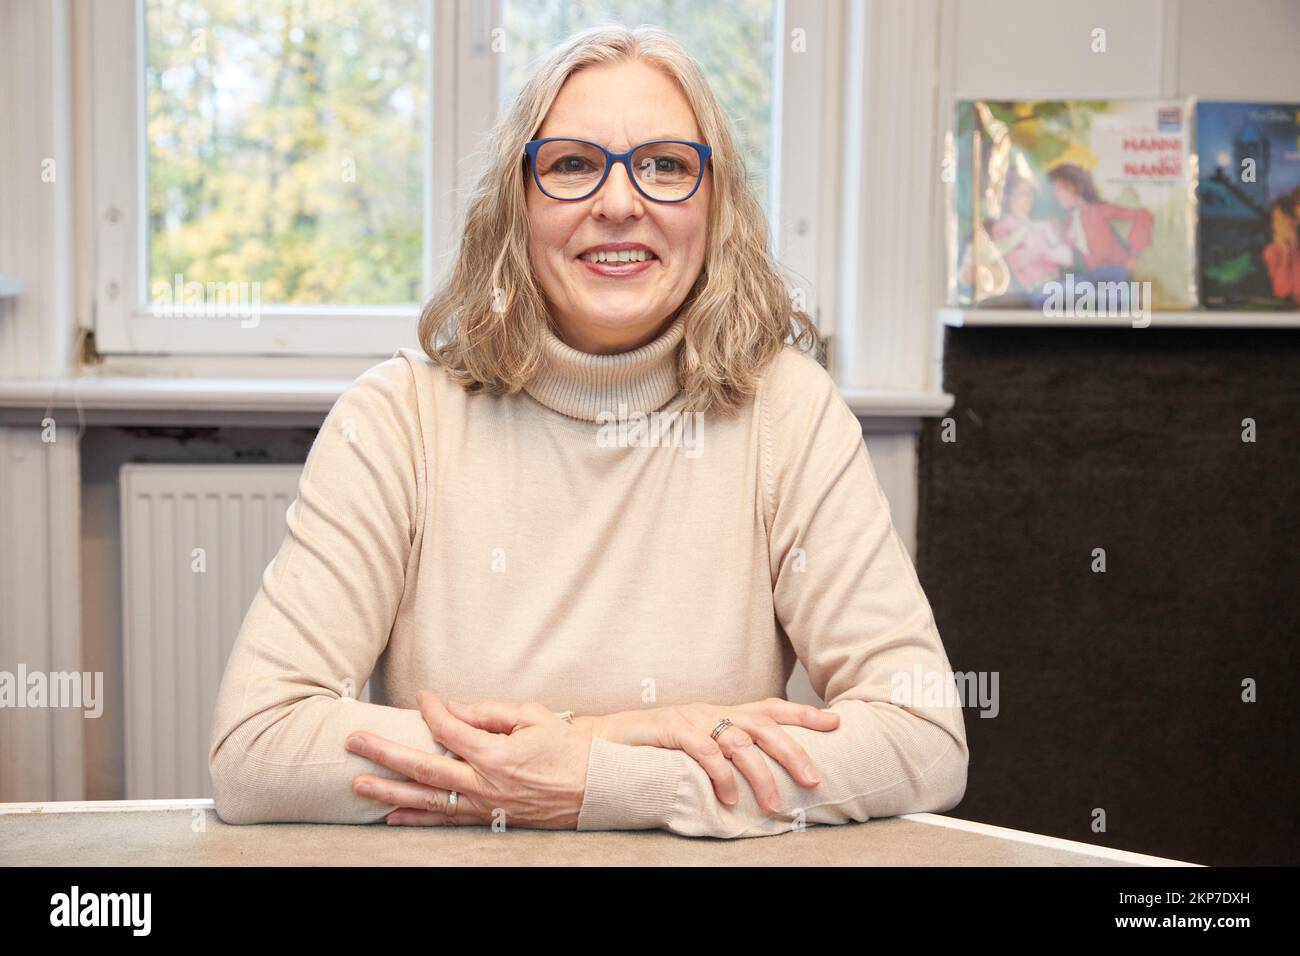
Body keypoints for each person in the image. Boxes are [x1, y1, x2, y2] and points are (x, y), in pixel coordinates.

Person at [208, 25, 968, 838]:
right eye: (572, 164)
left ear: (717, 208)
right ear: (517, 203)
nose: (618, 203)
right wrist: (597, 741)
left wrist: (608, 777)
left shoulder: (789, 412)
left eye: (667, 166)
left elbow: (921, 737)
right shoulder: (396, 419)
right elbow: (257, 746)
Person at [1262, 196, 1300, 304]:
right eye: (1275, 220)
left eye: (1281, 219)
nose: (1277, 225)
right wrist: (1286, 255)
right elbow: (1282, 292)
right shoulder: (1272, 252)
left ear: (1294, 221)